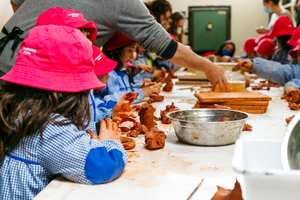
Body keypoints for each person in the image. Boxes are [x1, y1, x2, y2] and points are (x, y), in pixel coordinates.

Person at [0, 25, 127, 199]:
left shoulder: (17, 110)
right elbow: (103, 166)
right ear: (73, 93)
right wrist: (110, 142)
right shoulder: (50, 129)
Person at [0, 0, 229, 92]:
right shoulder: (122, 2)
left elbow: (17, 1)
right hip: (32, 78)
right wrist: (208, 67)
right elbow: (165, 46)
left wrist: (31, 32)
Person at [102, 31, 159, 105]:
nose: (132, 57)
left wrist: (141, 87)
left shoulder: (123, 70)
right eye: (130, 51)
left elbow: (128, 90)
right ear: (117, 50)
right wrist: (142, 92)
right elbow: (115, 98)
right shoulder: (109, 74)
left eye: (134, 50)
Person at [236, 39, 300, 94]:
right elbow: (279, 70)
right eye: (299, 53)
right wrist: (254, 65)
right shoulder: (296, 70)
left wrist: (290, 86)